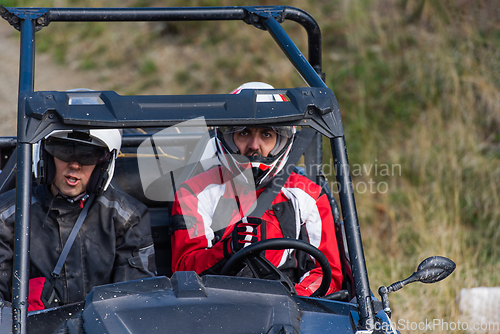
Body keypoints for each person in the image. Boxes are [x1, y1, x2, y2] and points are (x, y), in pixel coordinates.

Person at [170, 82, 343, 296]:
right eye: (243, 133)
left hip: (289, 314)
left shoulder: (308, 196)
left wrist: (293, 301)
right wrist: (225, 249)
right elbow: (184, 272)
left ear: (283, 140)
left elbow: (328, 275)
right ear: (227, 137)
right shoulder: (194, 193)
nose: (253, 145)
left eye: (266, 135)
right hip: (214, 307)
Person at [0, 128, 156, 310]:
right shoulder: (7, 215)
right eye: (65, 151)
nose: (74, 165)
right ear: (46, 156)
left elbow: (137, 299)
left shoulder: (128, 217)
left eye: (88, 155)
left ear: (103, 165)